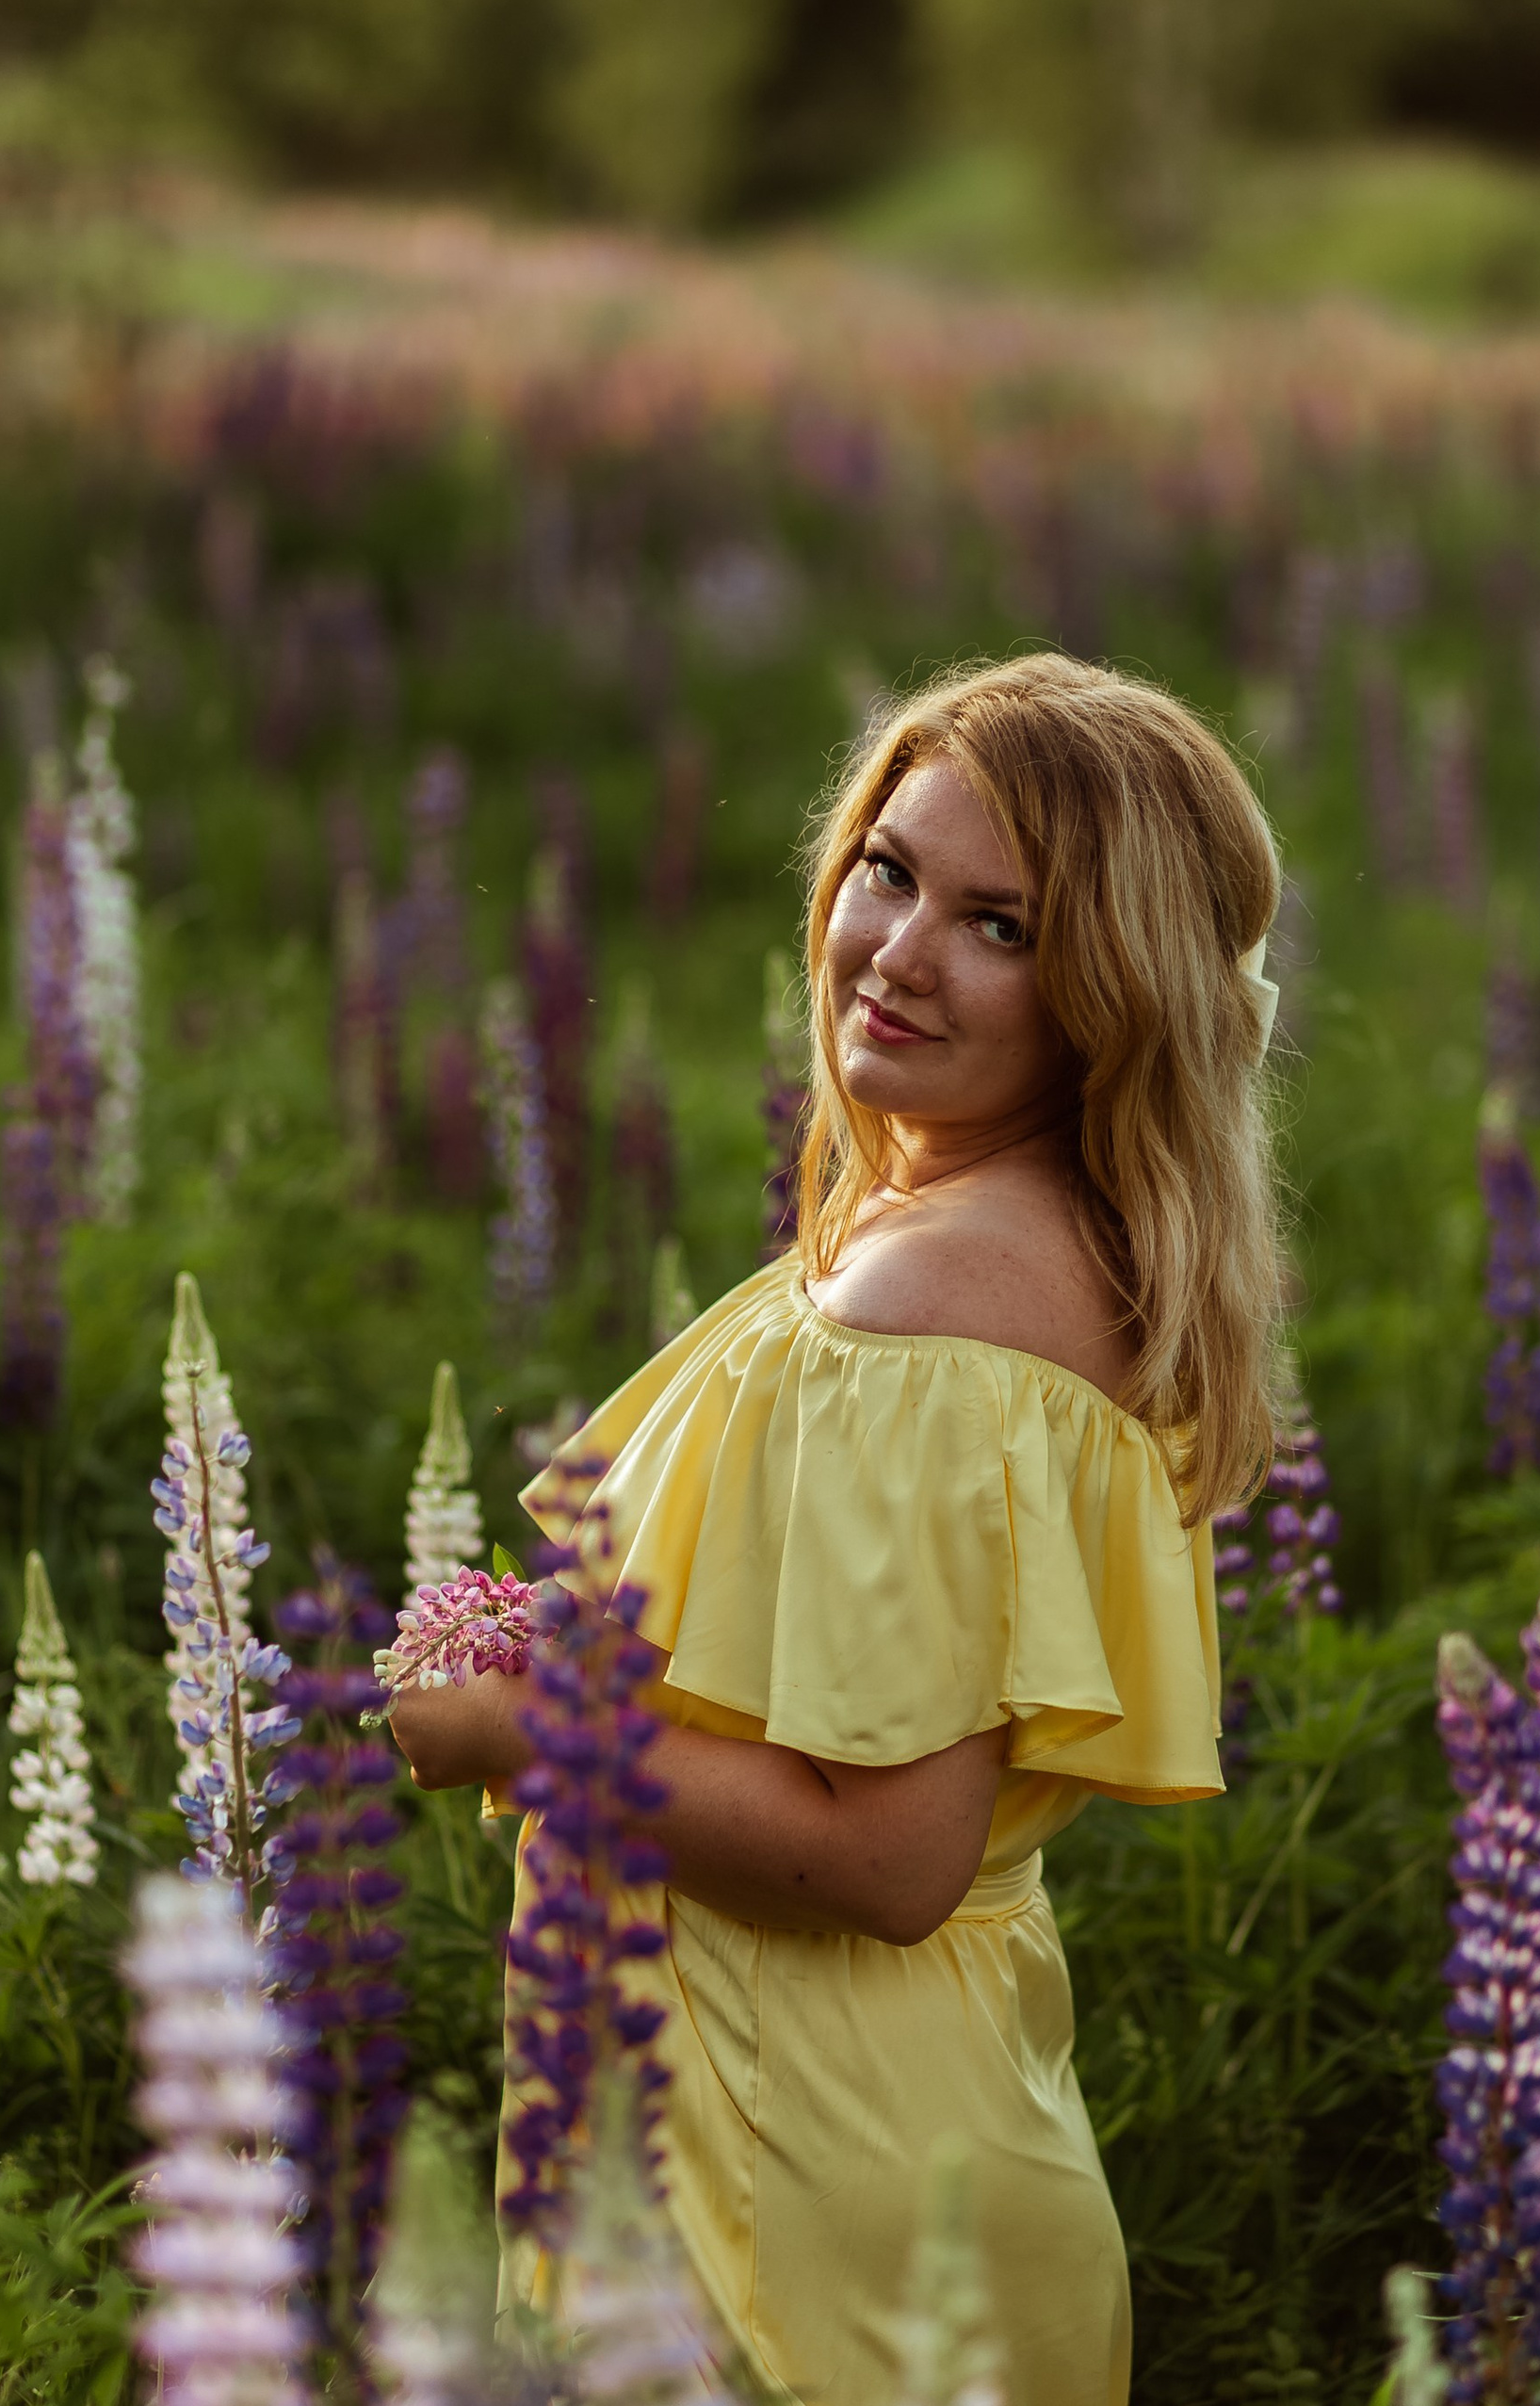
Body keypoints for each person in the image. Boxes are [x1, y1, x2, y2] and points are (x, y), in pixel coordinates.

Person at [391, 651, 1287, 2405]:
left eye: (1004, 927)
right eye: (891, 871)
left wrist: (523, 1732)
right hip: (930, 2121)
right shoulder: (1078, 1252)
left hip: (793, 2179)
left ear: (1113, 988)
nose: (901, 951)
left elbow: (887, 1854)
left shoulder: (930, 1309)